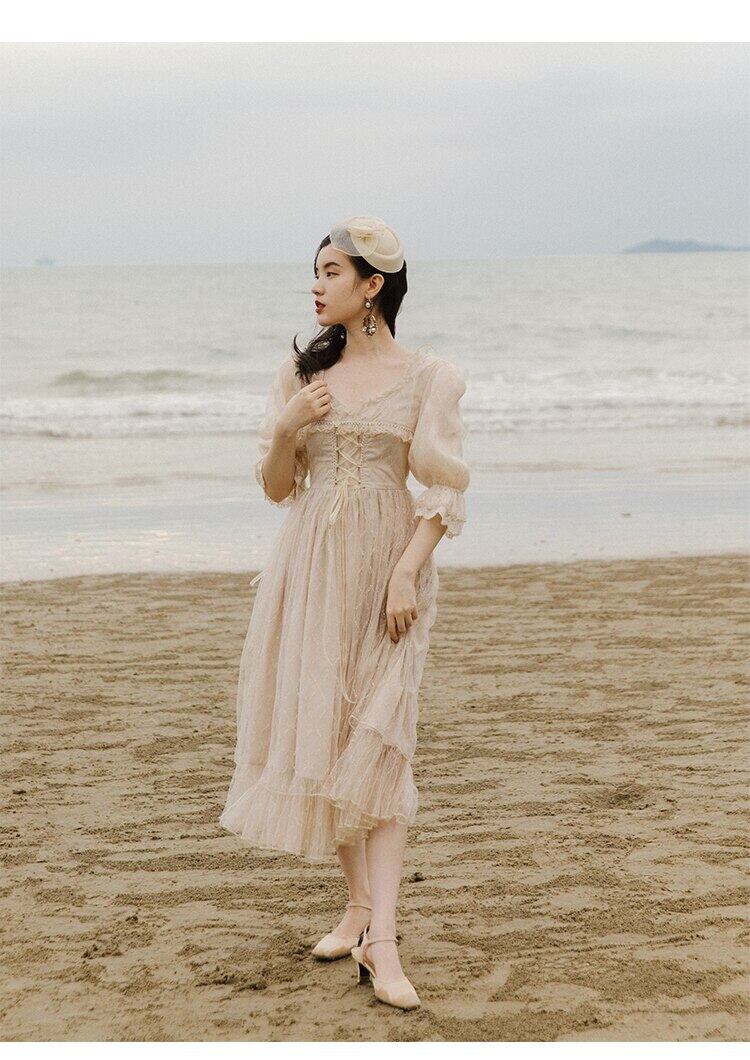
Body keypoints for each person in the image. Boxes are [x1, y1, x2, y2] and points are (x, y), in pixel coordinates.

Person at [219, 216, 470, 1010]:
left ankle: (383, 943)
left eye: (332, 271)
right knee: (330, 738)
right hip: (311, 569)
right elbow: (276, 488)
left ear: (373, 286)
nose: (316, 284)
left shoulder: (430, 377)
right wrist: (286, 429)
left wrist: (407, 572)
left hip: (388, 571)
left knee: (382, 748)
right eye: (316, 271)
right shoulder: (302, 375)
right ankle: (359, 909)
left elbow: (444, 488)